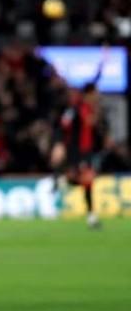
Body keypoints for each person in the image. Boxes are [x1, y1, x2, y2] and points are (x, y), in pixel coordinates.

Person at [54, 82, 104, 229]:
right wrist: (59, 144)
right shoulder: (75, 109)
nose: (97, 96)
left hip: (88, 151)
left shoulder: (89, 109)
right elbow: (62, 126)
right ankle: (91, 216)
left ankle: (91, 216)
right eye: (95, 93)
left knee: (87, 183)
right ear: (88, 94)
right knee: (87, 180)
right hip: (76, 151)